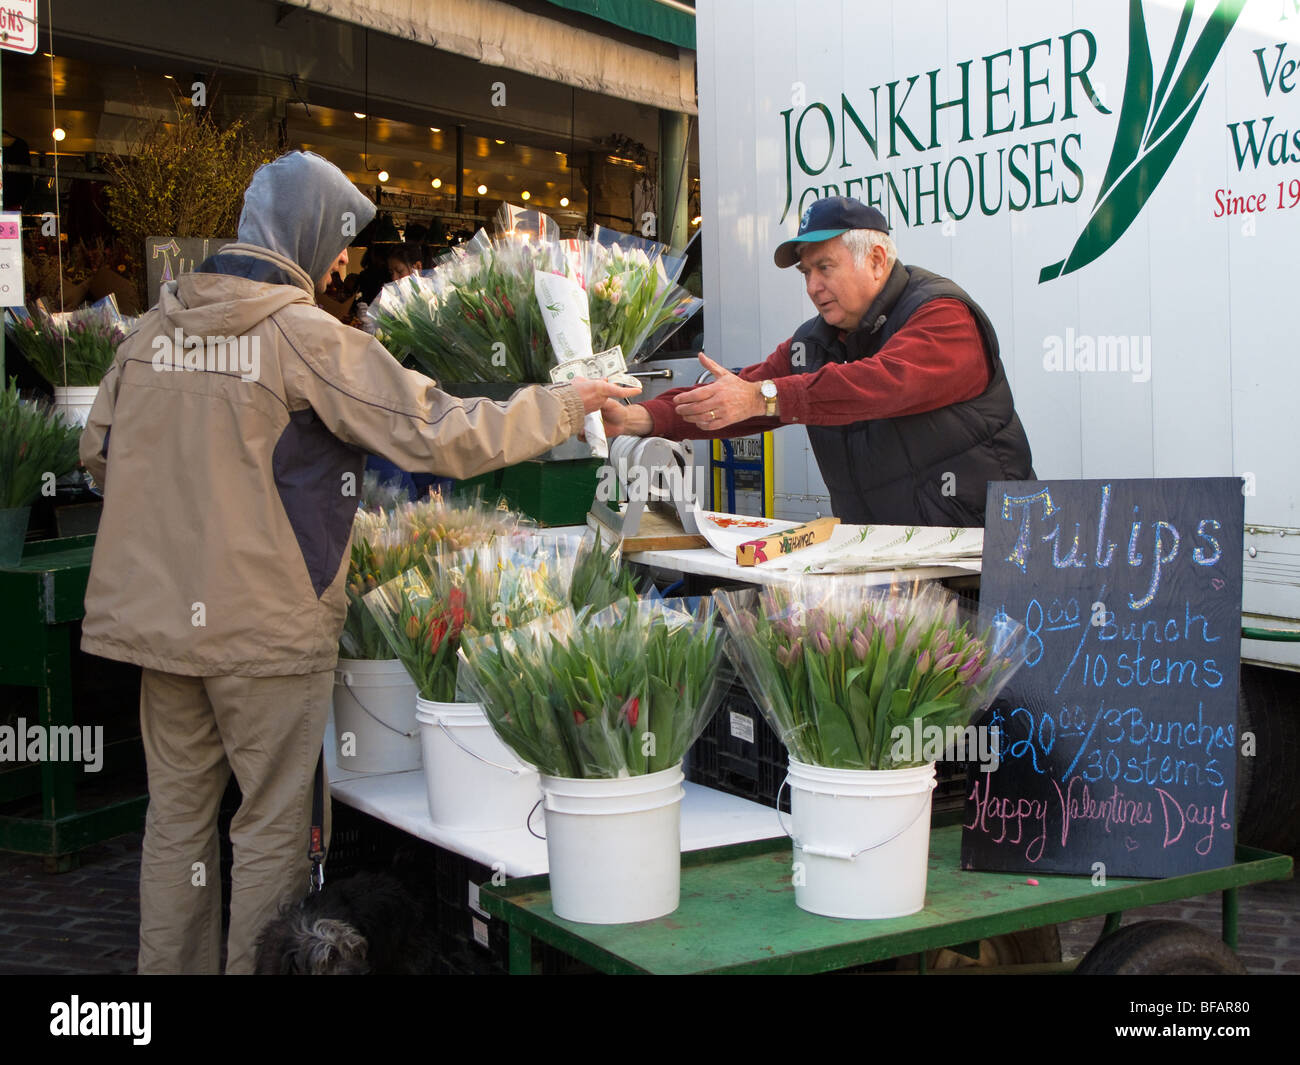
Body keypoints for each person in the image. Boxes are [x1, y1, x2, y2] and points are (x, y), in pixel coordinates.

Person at [77, 151, 637, 975]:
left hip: (160, 630)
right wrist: (562, 405)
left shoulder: (149, 333)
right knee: (269, 828)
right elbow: (436, 429)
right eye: (340, 241)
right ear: (305, 233)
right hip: (264, 630)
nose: (344, 262)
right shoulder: (301, 337)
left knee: (176, 823)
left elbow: (99, 455)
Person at [602, 196, 1034, 526]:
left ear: (878, 260)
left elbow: (880, 385)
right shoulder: (815, 339)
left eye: (825, 268)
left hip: (981, 554)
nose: (812, 286)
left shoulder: (943, 314)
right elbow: (739, 393)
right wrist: (638, 418)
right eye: (806, 272)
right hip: (886, 559)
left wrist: (763, 397)